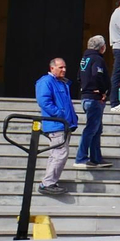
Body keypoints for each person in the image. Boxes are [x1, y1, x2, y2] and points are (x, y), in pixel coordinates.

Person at [34, 57, 77, 197]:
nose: (64, 70)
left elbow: (66, 103)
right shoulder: (46, 81)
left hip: (62, 124)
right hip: (56, 124)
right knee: (60, 154)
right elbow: (44, 102)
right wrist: (61, 115)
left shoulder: (61, 83)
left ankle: (49, 182)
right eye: (60, 67)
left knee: (57, 154)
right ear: (52, 68)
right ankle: (47, 183)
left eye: (65, 67)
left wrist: (72, 119)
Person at [75, 36, 112, 169]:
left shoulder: (85, 58)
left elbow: (79, 76)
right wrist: (103, 91)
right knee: (91, 129)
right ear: (101, 47)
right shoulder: (97, 59)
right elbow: (98, 75)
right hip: (94, 99)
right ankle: (81, 157)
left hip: (86, 97)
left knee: (97, 129)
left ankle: (96, 158)